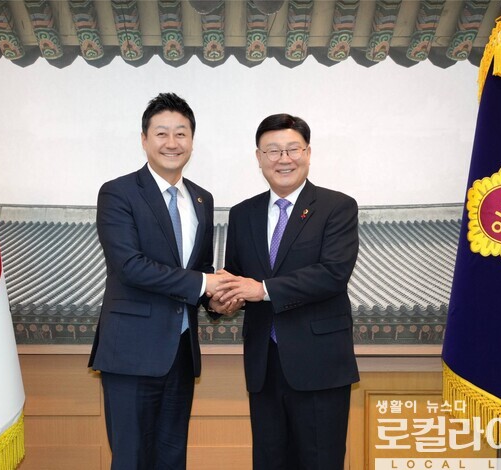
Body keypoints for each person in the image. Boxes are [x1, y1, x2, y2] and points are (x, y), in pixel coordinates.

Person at [89, 92, 232, 469]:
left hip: (181, 354)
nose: (172, 143)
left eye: (181, 133)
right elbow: (130, 265)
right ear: (144, 139)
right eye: (162, 133)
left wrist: (217, 300)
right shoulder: (118, 192)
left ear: (192, 141)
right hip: (131, 352)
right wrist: (204, 284)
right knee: (131, 458)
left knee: (172, 459)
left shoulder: (201, 199)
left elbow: (199, 267)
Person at [211, 113, 360, 469]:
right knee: (269, 461)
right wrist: (221, 301)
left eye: (293, 149)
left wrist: (261, 289)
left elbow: (333, 274)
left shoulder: (337, 207)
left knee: (320, 461)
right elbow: (238, 278)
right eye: (273, 151)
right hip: (264, 364)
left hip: (319, 363)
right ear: (259, 157)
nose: (284, 159)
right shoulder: (242, 214)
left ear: (307, 153)